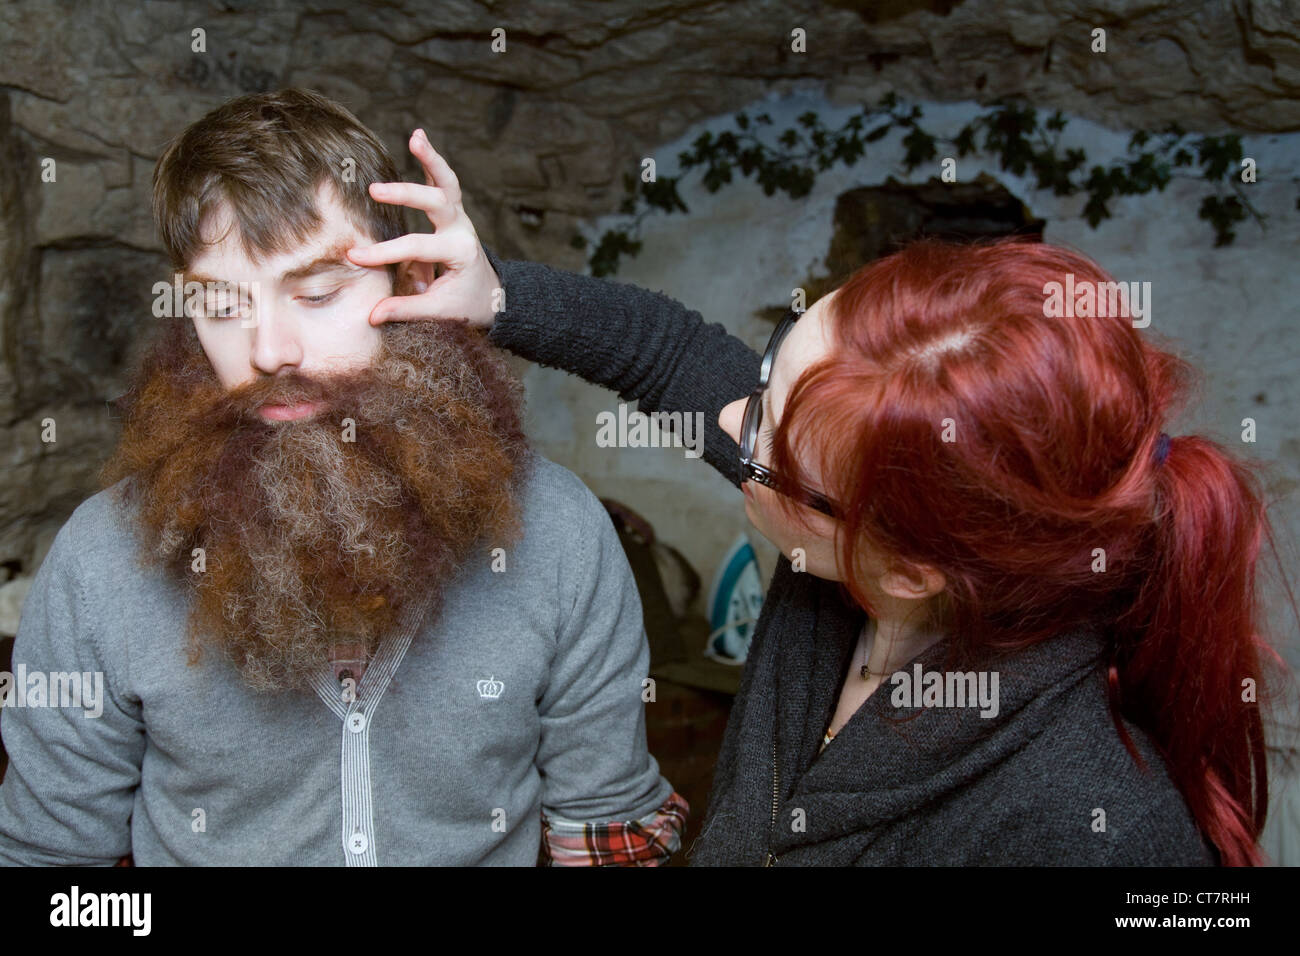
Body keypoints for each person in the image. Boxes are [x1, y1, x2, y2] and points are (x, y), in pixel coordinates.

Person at [355, 128, 1293, 866]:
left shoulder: (1093, 824)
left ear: (914, 565)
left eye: (763, 450)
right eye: (769, 375)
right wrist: (497, 294)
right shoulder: (849, 534)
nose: (729, 425)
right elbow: (669, 355)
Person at [0, 88, 686, 866]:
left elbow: (609, 835)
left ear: (410, 283)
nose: (270, 350)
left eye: (319, 293)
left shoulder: (557, 532)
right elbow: (50, 870)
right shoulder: (101, 558)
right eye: (222, 306)